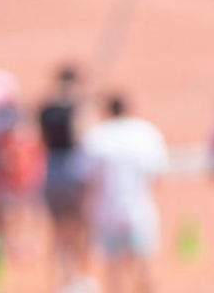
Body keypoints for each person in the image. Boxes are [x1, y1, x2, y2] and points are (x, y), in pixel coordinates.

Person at [82, 92, 168, 293]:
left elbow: (87, 179)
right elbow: (157, 175)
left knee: (113, 270)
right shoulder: (145, 133)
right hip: (139, 211)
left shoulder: (97, 136)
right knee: (145, 266)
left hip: (107, 213)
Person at [37, 64, 93, 293]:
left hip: (50, 170)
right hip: (73, 168)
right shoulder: (77, 109)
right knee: (80, 227)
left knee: (58, 230)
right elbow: (82, 137)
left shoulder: (45, 109)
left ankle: (60, 280)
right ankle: (79, 277)